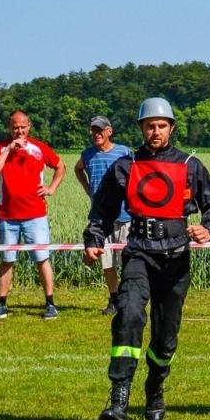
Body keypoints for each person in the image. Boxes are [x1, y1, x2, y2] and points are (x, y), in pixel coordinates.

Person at [83, 97, 210, 420]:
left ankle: (155, 386)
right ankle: (119, 398)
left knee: (165, 337)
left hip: (176, 259)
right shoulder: (126, 166)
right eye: (150, 126)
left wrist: (208, 227)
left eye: (162, 126)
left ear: (171, 128)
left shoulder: (190, 165)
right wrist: (93, 241)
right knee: (128, 315)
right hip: (139, 254)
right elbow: (101, 211)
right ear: (141, 128)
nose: (156, 131)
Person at [0, 110, 65, 321]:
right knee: (7, 260)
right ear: (9, 128)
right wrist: (8, 150)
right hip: (7, 216)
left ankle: (50, 304)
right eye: (15, 127)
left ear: (29, 126)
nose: (19, 131)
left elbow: (60, 166)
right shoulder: (0, 147)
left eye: (22, 127)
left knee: (42, 259)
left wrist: (51, 188)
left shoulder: (39, 147)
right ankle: (1, 305)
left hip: (35, 215)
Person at [74, 115, 132, 314]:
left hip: (125, 214)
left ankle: (127, 297)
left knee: (127, 260)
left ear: (109, 131)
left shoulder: (124, 152)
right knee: (107, 261)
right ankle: (114, 297)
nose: (96, 134)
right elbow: (78, 169)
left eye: (99, 130)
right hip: (100, 217)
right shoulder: (87, 154)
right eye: (93, 130)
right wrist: (88, 188)